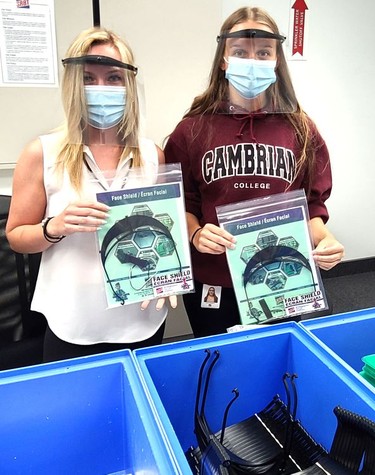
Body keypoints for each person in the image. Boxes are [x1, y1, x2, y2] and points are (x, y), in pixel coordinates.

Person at [164, 6, 344, 338]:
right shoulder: (191, 130)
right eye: (240, 52)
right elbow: (180, 205)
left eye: (263, 52)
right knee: (219, 362)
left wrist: (327, 240)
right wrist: (195, 233)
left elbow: (311, 207)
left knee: (277, 364)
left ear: (276, 60)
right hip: (215, 278)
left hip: (281, 276)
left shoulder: (301, 129)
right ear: (223, 59)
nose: (252, 61)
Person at [6, 27, 177, 362]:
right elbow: (15, 235)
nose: (101, 89)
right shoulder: (42, 152)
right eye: (88, 78)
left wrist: (171, 273)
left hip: (142, 317)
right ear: (73, 84)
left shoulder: (151, 154)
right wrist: (54, 227)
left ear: (129, 85)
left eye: (113, 78)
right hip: (74, 321)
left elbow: (162, 230)